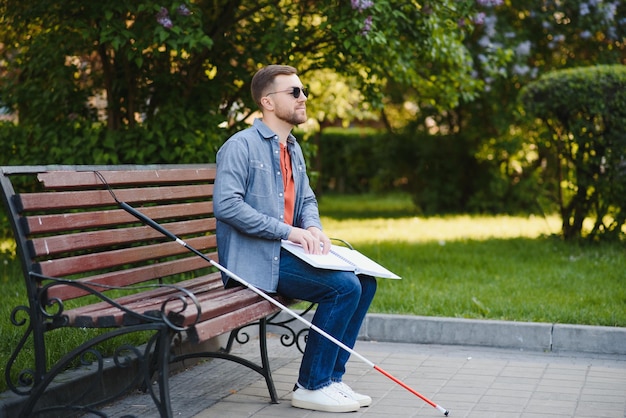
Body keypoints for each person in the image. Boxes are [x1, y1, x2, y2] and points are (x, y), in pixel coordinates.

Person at [213, 64, 377, 413]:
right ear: (267, 102)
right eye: (295, 92)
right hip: (253, 261)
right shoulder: (240, 146)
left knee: (365, 281)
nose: (303, 98)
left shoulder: (292, 148)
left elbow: (306, 200)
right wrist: (290, 232)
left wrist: (313, 228)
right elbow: (226, 206)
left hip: (285, 252)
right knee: (343, 287)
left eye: (303, 91)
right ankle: (310, 386)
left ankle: (330, 378)